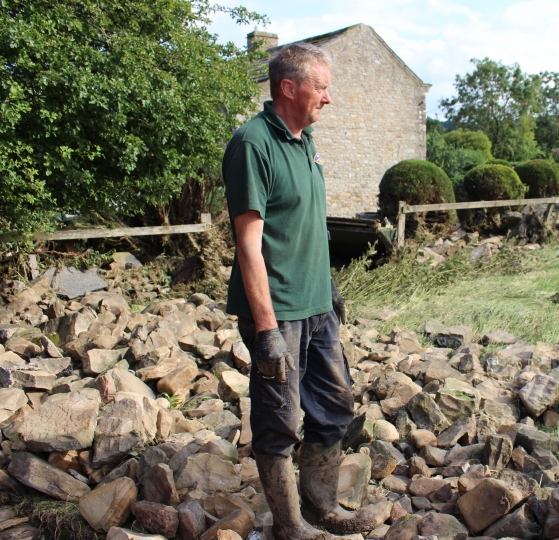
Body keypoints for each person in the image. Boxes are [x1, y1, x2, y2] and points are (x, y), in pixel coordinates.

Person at [222, 42, 390, 540]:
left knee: (334, 406)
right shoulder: (254, 144)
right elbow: (249, 244)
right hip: (279, 311)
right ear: (289, 88)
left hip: (317, 307)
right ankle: (290, 527)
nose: (328, 99)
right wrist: (268, 330)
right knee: (279, 420)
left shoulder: (305, 141)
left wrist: (329, 283)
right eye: (322, 87)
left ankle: (321, 508)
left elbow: (306, 225)